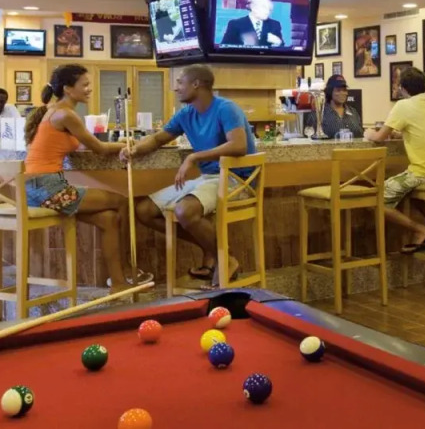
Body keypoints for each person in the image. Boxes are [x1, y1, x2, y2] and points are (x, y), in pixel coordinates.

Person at [120, 64, 256, 285]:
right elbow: (158, 139)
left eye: (180, 83)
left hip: (237, 179)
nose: (176, 88)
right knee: (144, 210)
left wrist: (193, 157)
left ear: (196, 84)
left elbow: (238, 145)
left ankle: (224, 258)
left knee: (185, 211)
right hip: (209, 179)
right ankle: (215, 250)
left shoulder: (226, 108)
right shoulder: (186, 114)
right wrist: (134, 150)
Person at [23, 64, 148, 294]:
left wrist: (119, 144)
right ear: (68, 89)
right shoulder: (66, 114)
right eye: (85, 84)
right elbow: (100, 149)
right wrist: (128, 144)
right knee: (121, 201)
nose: (89, 89)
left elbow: (78, 145)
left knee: (109, 219)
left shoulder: (56, 111)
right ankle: (128, 268)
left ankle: (118, 283)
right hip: (48, 187)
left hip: (37, 187)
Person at [363, 66, 425, 254]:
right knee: (409, 193)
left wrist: (368, 133)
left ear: (403, 88)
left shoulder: (403, 106)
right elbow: (421, 131)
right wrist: (402, 135)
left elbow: (379, 138)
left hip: (421, 174)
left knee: (374, 199)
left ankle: (420, 229)